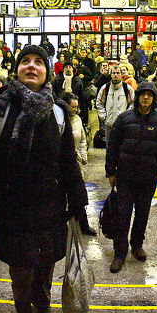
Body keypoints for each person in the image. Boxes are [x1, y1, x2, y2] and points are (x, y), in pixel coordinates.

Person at [0, 45, 87, 313]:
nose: (31, 66)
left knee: (46, 264)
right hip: (10, 205)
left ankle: (42, 306)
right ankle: (23, 305)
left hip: (50, 205)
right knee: (20, 266)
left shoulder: (58, 111)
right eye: (25, 61)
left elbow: (68, 159)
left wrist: (78, 199)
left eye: (38, 62)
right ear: (16, 69)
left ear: (47, 72)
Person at [105, 82, 157, 272]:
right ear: (137, 97)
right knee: (122, 215)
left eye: (149, 95)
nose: (145, 98)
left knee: (142, 214)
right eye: (142, 94)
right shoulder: (124, 119)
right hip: (125, 177)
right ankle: (120, 253)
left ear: (153, 98)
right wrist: (111, 171)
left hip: (147, 178)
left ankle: (137, 245)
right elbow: (112, 147)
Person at [63, 93, 98, 236]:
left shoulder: (77, 119)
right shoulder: (58, 119)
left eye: (77, 107)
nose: (76, 110)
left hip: (76, 163)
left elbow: (83, 139)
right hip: (62, 163)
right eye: (73, 107)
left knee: (79, 195)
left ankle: (83, 225)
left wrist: (83, 155)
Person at [97, 65, 134, 143]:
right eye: (114, 73)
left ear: (121, 74)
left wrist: (127, 117)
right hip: (109, 125)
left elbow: (133, 103)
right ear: (111, 75)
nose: (116, 75)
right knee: (109, 147)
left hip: (123, 125)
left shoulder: (127, 89)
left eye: (118, 73)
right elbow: (99, 103)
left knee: (122, 147)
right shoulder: (105, 88)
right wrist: (103, 116)